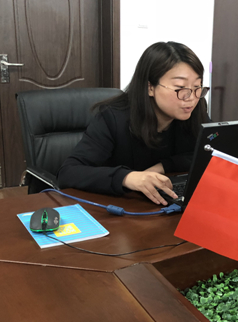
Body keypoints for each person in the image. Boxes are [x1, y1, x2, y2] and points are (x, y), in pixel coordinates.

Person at [57, 41, 209, 205]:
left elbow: (211, 152)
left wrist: (163, 166)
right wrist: (127, 177)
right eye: (180, 88)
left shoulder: (194, 110)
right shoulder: (112, 118)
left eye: (197, 87)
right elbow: (68, 173)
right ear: (150, 87)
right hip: (118, 206)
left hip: (165, 204)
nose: (191, 98)